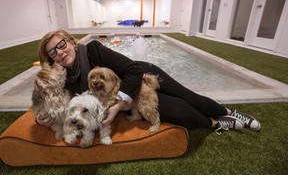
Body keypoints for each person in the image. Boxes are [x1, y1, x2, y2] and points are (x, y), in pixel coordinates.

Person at [36, 30, 261, 134]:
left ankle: (229, 111)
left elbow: (133, 69)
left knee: (187, 96)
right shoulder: (61, 79)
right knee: (180, 110)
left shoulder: (93, 50)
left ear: (73, 43)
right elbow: (49, 103)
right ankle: (217, 123)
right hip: (129, 101)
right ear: (50, 59)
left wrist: (118, 105)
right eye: (53, 52)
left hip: (141, 77)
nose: (60, 52)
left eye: (62, 44)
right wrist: (42, 117)